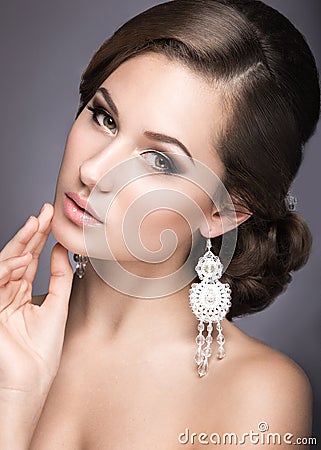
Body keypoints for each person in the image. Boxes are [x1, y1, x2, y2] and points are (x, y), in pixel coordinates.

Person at [0, 0, 319, 448]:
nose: (93, 171)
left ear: (224, 210)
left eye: (159, 160)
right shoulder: (7, 339)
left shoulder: (259, 394)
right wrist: (12, 397)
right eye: (105, 118)